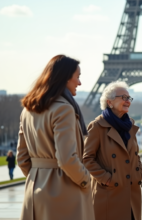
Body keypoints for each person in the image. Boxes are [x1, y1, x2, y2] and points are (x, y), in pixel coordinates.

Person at [17, 55, 94, 220]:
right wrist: (85, 180)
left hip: (34, 190)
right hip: (64, 193)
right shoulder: (64, 109)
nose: (79, 83)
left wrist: (39, 176)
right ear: (66, 78)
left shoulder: (27, 110)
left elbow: (22, 158)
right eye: (77, 77)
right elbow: (66, 159)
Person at [83, 81, 142, 220]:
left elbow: (134, 154)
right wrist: (106, 179)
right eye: (123, 97)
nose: (127, 101)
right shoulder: (97, 126)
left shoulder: (130, 125)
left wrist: (139, 173)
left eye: (129, 98)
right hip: (110, 193)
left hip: (131, 192)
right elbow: (87, 158)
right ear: (109, 102)